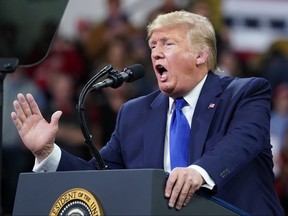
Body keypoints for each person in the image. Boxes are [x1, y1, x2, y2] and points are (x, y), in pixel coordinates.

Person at [11, 10, 284, 215]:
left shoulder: (245, 93)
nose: (155, 53)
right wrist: (48, 153)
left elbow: (242, 141)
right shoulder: (134, 113)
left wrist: (199, 172)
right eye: (152, 45)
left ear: (201, 55)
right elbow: (99, 176)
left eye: (167, 44)